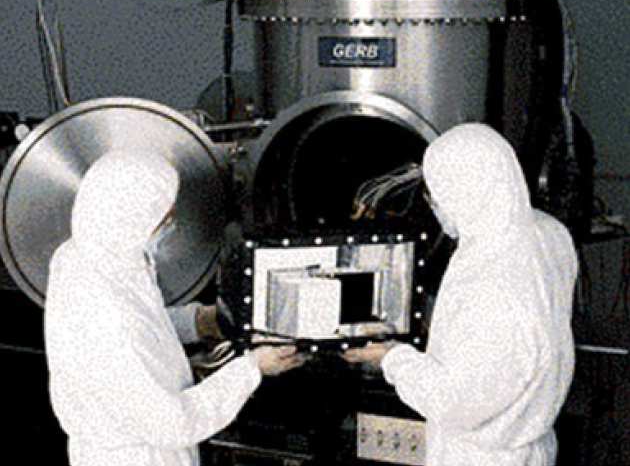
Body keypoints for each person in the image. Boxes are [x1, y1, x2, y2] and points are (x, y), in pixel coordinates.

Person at [45, 150, 306, 466]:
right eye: (164, 218)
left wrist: (199, 321)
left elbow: (143, 320)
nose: (171, 223)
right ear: (133, 220)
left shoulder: (88, 256)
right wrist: (252, 368)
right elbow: (173, 424)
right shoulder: (110, 316)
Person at [344, 124, 577, 466]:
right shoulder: (547, 233)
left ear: (463, 192)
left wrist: (391, 357)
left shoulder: (489, 277)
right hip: (532, 441)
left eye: (438, 194)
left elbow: (456, 402)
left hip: (481, 456)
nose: (435, 205)